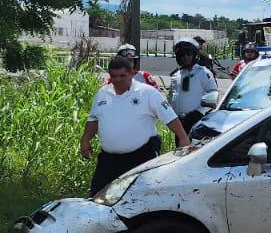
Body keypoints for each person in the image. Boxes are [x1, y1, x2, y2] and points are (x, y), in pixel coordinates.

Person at [83, 55, 188, 196]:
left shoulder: (147, 92)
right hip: (109, 159)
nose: (117, 80)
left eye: (122, 76)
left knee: (141, 198)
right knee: (98, 196)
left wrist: (183, 138)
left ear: (132, 73)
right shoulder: (103, 93)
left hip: (140, 158)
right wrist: (85, 140)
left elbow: (170, 118)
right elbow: (93, 119)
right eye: (114, 76)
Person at [168, 39, 218, 132]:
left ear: (195, 55)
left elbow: (213, 94)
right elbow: (171, 96)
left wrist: (198, 113)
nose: (185, 57)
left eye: (189, 54)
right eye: (182, 55)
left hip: (197, 121)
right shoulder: (176, 75)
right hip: (179, 123)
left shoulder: (202, 72)